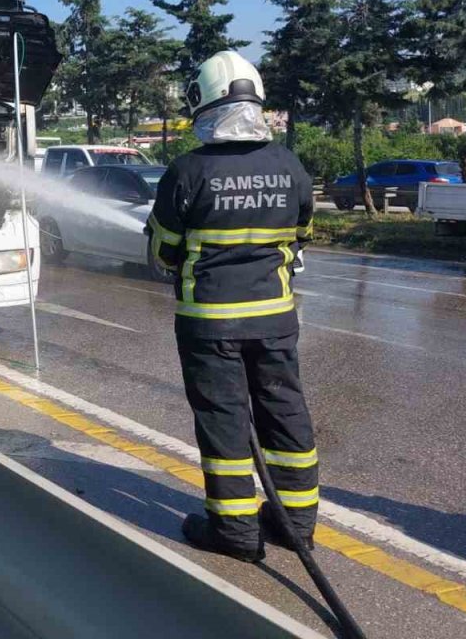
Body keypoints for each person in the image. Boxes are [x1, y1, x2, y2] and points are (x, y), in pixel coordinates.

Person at [147, 50, 317, 562]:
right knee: (284, 411)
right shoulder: (290, 165)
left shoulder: (188, 170)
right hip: (275, 317)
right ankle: (296, 526)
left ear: (204, 104)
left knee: (224, 418)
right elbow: (303, 236)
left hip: (209, 324)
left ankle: (236, 531)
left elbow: (162, 252)